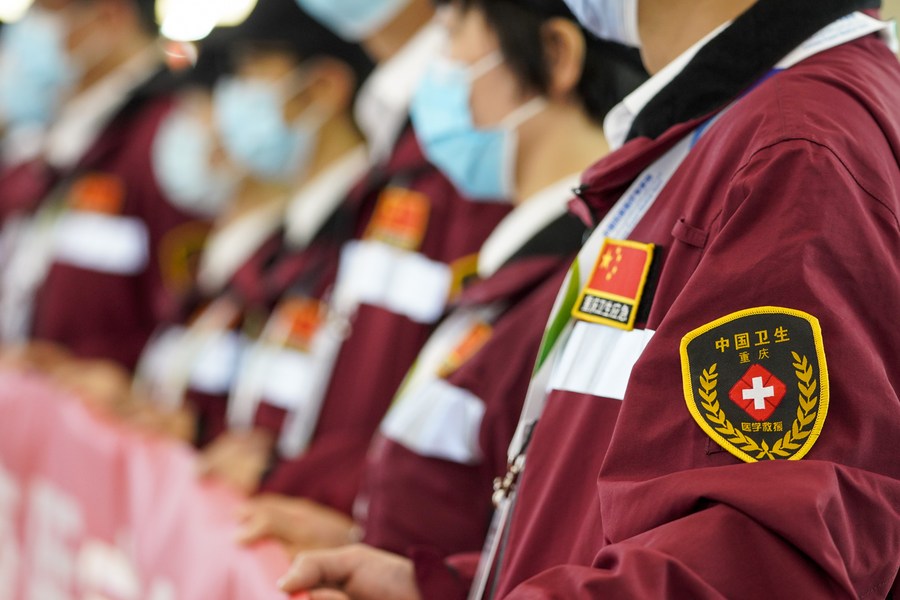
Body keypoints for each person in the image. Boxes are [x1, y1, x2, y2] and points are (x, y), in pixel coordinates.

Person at [279, 0, 900, 597]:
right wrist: (447, 588)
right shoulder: (724, 131)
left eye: (455, 26)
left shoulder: (795, 148)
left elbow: (769, 558)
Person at [234, 0, 646, 560]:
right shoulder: (515, 270)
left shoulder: (581, 274)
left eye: (451, 34)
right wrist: (365, 538)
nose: (434, 68)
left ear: (555, 56)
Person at [200, 0, 512, 511]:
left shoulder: (460, 154)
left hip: (377, 522)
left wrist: (310, 481)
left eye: (252, 73)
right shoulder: (388, 166)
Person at [127, 0, 375, 450]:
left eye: (251, 72)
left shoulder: (365, 231)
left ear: (324, 88)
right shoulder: (296, 239)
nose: (229, 103)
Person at [0, 0, 211, 371]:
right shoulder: (67, 132)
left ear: (110, 16)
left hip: (95, 397)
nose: (28, 31)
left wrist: (114, 375)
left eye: (47, 13)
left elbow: (189, 306)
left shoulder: (168, 137)